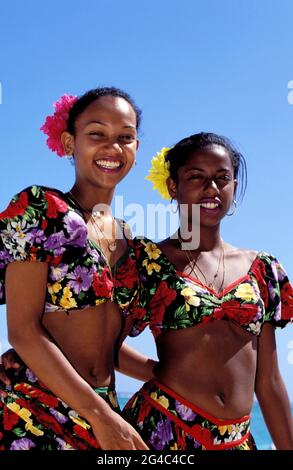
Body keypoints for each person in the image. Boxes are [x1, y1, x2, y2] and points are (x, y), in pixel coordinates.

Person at [0, 87, 151, 450]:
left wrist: (166, 375)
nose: (112, 147)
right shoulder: (40, 209)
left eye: (125, 137)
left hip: (103, 409)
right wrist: (99, 416)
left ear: (136, 148)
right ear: (69, 142)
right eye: (97, 133)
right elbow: (23, 331)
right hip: (34, 407)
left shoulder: (129, 241)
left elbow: (105, 345)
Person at [121, 132, 293, 450]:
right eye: (196, 176)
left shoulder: (263, 269)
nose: (211, 188)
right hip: (163, 431)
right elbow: (103, 347)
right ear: (174, 186)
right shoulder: (148, 261)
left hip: (237, 440)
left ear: (234, 188)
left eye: (222, 178)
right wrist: (157, 371)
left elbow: (268, 382)